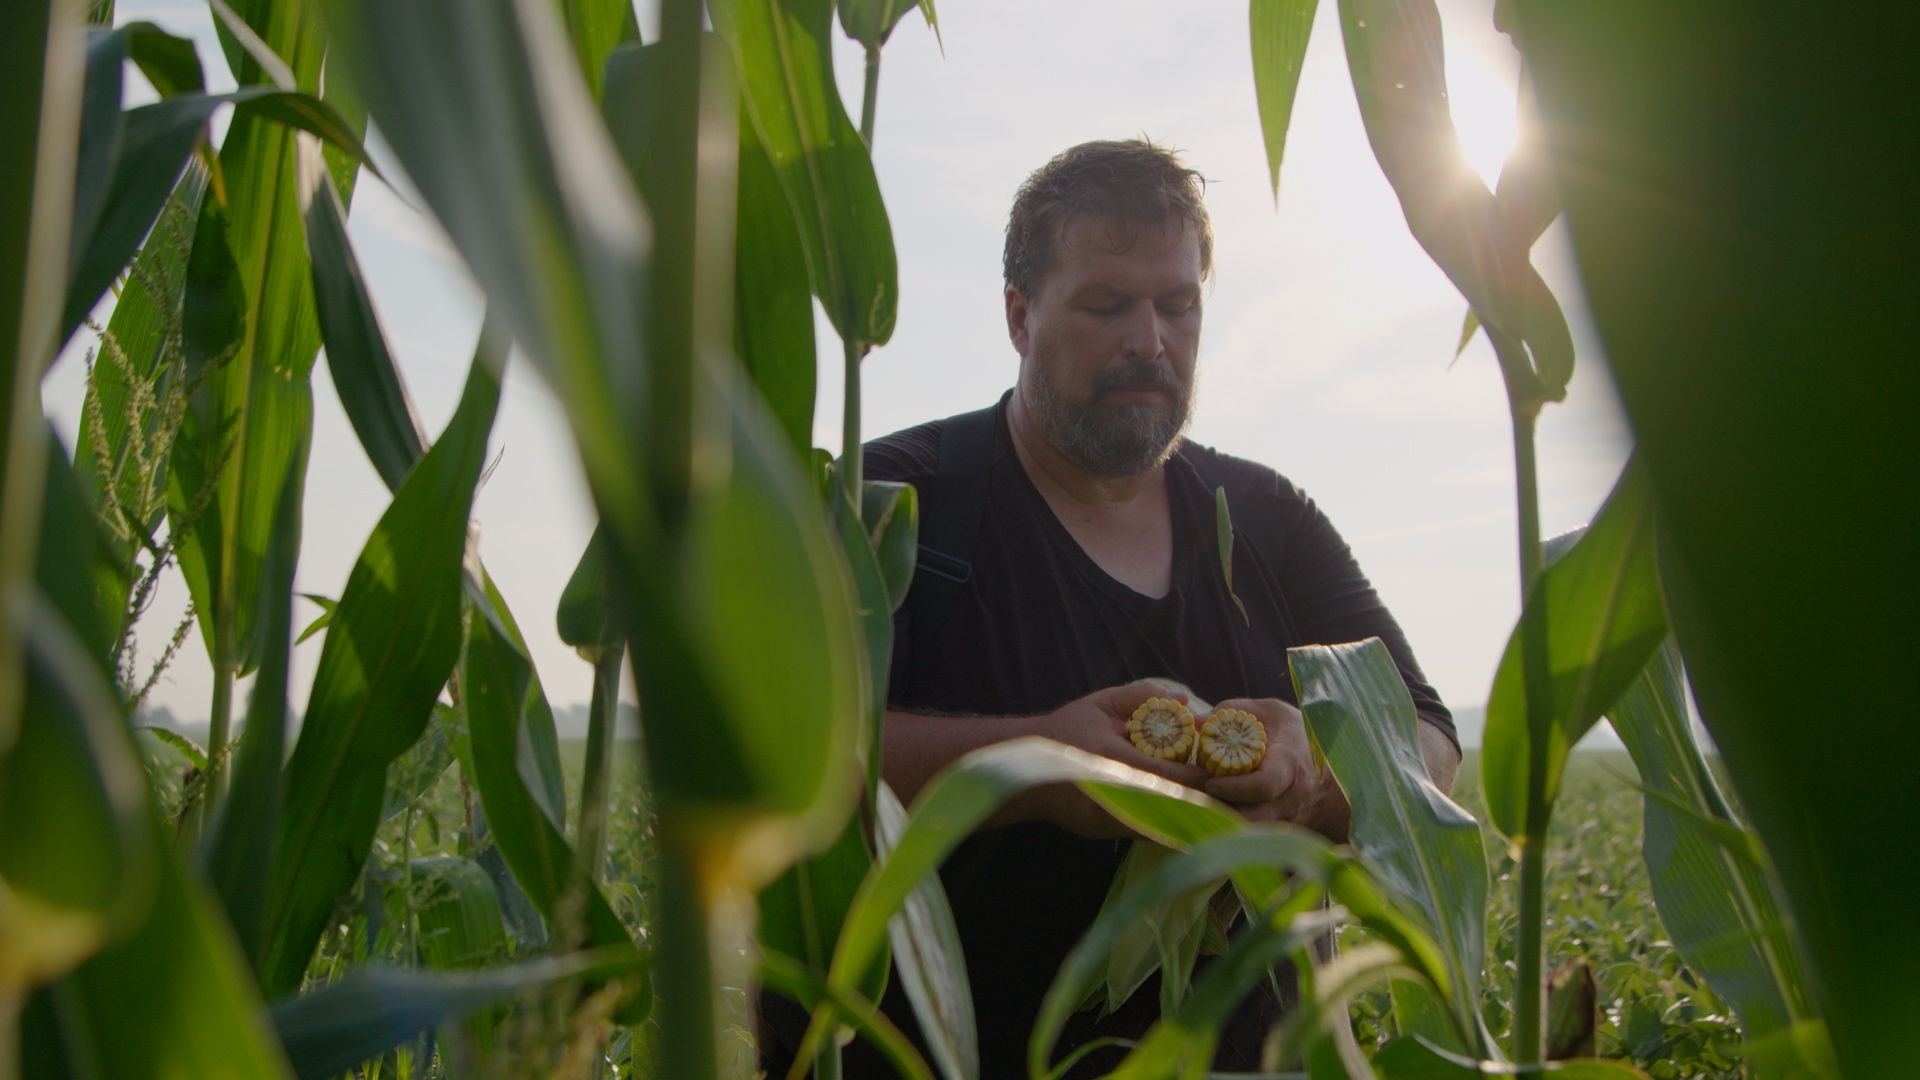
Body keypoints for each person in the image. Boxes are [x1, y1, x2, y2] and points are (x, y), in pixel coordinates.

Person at [767, 139, 1459, 1077]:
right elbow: (766, 757)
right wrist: (1037, 766)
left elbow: (1428, 741)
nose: (1150, 342)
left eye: (1179, 305)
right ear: (1019, 315)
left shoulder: (1270, 519)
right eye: (1106, 305)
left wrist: (1314, 768)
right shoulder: (891, 505)